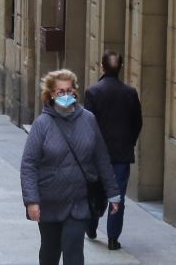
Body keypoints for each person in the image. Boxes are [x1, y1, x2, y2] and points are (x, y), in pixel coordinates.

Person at [20, 70, 120, 265]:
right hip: (50, 201)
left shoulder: (89, 120)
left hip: (79, 201)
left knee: (73, 250)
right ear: (51, 94)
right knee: (49, 252)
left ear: (75, 92)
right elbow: (29, 165)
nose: (65, 95)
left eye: (69, 90)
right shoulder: (42, 124)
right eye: (60, 92)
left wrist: (113, 193)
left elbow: (101, 158)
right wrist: (32, 200)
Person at [83, 52, 143, 250]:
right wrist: (129, 143)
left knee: (95, 191)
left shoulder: (93, 92)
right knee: (117, 196)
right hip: (121, 154)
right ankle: (113, 238)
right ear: (121, 67)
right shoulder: (130, 93)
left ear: (101, 66)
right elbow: (137, 123)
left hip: (97, 154)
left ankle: (91, 228)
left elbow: (87, 124)